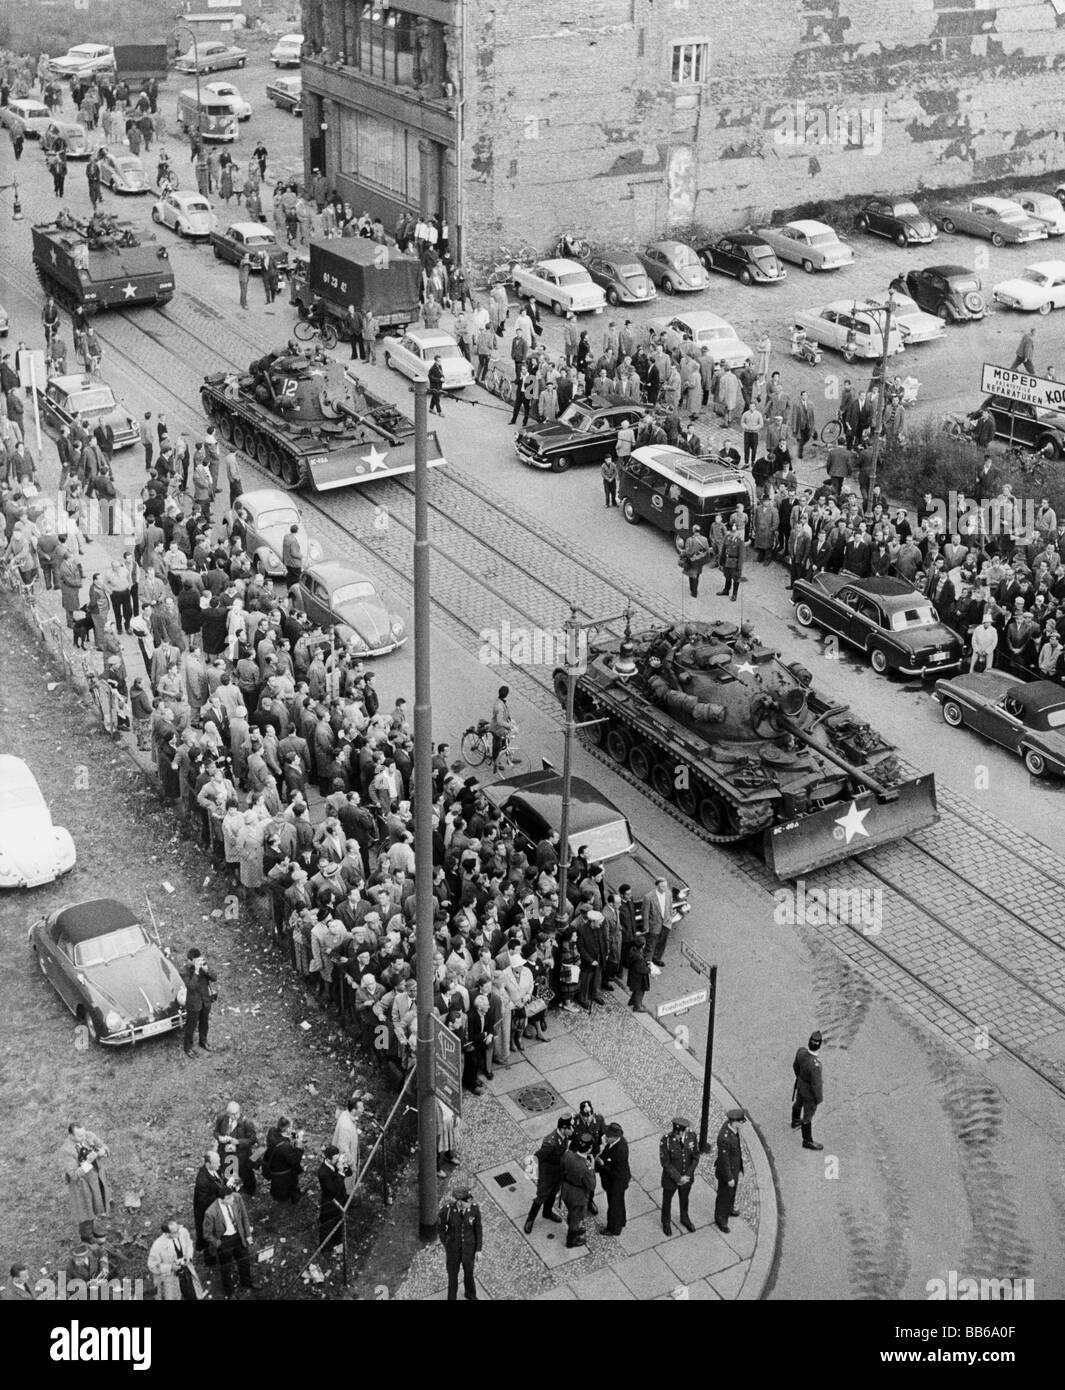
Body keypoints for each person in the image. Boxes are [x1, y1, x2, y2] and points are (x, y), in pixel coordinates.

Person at [203, 1182, 259, 1298]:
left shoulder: (237, 1197)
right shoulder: (211, 1212)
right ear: (221, 1199)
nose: (232, 1199)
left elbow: (244, 1216)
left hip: (238, 1236)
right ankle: (230, 1292)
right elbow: (207, 1234)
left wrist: (248, 1234)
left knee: (244, 1261)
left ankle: (247, 1282)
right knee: (226, 1267)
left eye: (232, 1196)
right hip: (224, 1240)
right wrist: (218, 1243)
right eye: (229, 1198)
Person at [61, 1123, 110, 1240]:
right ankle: (86, 1236)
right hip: (81, 1185)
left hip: (95, 1179)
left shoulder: (89, 1136)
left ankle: (92, 1231)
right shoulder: (67, 1150)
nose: (83, 1138)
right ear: (71, 1135)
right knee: (85, 1209)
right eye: (79, 1136)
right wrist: (88, 1161)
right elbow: (73, 1175)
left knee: (94, 1205)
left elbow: (105, 1147)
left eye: (84, 1134)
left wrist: (101, 1152)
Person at [523, 1114, 572, 1232]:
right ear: (563, 1128)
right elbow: (537, 1157)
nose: (572, 1131)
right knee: (541, 1196)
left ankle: (547, 1212)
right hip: (547, 1174)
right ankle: (530, 1219)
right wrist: (534, 1174)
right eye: (570, 1128)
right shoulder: (550, 1143)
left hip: (558, 1172)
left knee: (553, 1193)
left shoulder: (563, 1137)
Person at [438, 1184, 482, 1300]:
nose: (469, 1204)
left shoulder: (474, 1208)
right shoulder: (447, 1210)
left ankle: (470, 1294)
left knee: (469, 1274)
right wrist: (446, 1242)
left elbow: (478, 1228)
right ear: (459, 1202)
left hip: (469, 1249)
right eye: (467, 1202)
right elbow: (440, 1228)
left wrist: (478, 1249)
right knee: (452, 1277)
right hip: (453, 1251)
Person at [660, 1116, 699, 1235]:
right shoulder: (666, 1141)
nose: (678, 1137)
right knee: (667, 1201)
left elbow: (695, 1157)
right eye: (676, 1135)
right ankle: (666, 1221)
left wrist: (687, 1175)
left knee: (684, 1199)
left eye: (680, 1135)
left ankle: (684, 1218)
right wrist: (678, 1178)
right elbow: (665, 1163)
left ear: (684, 1132)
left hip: (687, 1178)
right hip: (671, 1179)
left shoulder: (691, 1137)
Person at [148, 1217, 202, 1301]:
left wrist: (189, 1256)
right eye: (175, 1232)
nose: (178, 1233)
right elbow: (152, 1265)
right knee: (173, 1296)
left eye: (178, 1229)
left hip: (186, 1271)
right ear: (167, 1233)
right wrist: (170, 1267)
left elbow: (189, 1244)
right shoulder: (158, 1245)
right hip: (170, 1278)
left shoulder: (183, 1231)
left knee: (191, 1293)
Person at [213, 1101, 257, 1195]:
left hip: (242, 1156)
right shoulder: (221, 1119)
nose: (235, 1116)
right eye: (232, 1114)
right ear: (228, 1113)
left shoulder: (246, 1122)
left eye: (237, 1113)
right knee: (228, 1173)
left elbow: (252, 1140)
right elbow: (216, 1132)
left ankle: (250, 1191)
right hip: (226, 1154)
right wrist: (220, 1138)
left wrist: (238, 1142)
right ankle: (232, 1188)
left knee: (245, 1173)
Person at [791, 1029, 825, 1151]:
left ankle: (795, 1120)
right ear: (819, 1045)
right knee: (808, 1116)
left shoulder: (801, 1052)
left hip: (800, 1084)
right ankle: (807, 1140)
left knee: (798, 1103)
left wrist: (799, 1078)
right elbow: (817, 1085)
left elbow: (795, 1066)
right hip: (810, 1093)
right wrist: (818, 1099)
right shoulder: (816, 1066)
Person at [713, 1108, 746, 1233]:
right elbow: (724, 1160)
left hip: (735, 1167)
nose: (742, 1124)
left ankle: (730, 1208)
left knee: (732, 1192)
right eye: (741, 1122)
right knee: (724, 1195)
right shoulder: (724, 1138)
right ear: (734, 1122)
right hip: (728, 1171)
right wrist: (729, 1178)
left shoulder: (733, 1129)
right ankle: (720, 1218)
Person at [560, 1134, 596, 1248]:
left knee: (572, 1211)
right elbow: (591, 1186)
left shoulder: (568, 1155)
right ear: (589, 1149)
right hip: (578, 1195)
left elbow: (562, 1166)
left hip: (566, 1189)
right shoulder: (586, 1167)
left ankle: (572, 1224)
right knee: (576, 1217)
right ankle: (571, 1240)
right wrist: (592, 1168)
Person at [180, 947, 217, 1058]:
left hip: (205, 1001)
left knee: (204, 1024)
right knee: (191, 1027)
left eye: (199, 960)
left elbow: (214, 978)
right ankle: (188, 1047)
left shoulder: (203, 966)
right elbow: (191, 987)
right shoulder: (184, 971)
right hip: (193, 1004)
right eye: (196, 961)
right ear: (190, 960)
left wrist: (206, 970)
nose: (199, 963)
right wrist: (196, 971)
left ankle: (203, 1041)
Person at [596, 1121, 631, 1236]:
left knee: (614, 1206)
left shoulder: (620, 1151)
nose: (605, 1138)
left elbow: (616, 1173)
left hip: (616, 1183)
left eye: (607, 1136)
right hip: (617, 1181)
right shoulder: (617, 1143)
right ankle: (621, 1221)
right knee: (619, 1202)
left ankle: (613, 1228)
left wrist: (602, 1165)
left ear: (614, 1137)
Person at [193, 1150, 226, 1257]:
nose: (219, 1164)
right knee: (208, 1233)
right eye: (217, 1163)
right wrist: (222, 1195)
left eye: (219, 1162)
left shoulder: (214, 1169)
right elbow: (204, 1201)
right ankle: (210, 1256)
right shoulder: (202, 1180)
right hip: (206, 1211)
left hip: (215, 1205)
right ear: (208, 1164)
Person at [317, 1145, 348, 1252]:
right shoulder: (323, 1173)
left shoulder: (335, 1163)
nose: (337, 1160)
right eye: (335, 1159)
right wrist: (340, 1172)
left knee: (339, 1222)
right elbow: (333, 1191)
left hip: (341, 1199)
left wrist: (344, 1165)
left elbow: (349, 1173)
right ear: (328, 1159)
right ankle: (324, 1248)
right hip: (330, 1203)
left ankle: (337, 1241)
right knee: (327, 1225)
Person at [680, 524, 710, 598]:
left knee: (692, 576)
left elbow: (688, 552)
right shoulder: (705, 539)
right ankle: (694, 589)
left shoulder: (690, 540)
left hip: (692, 560)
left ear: (693, 530)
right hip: (700, 560)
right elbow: (707, 550)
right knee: (697, 575)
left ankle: (694, 592)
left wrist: (682, 555)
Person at [719, 522, 745, 601]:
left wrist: (739, 567)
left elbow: (741, 555)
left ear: (737, 532)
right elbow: (723, 550)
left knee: (736, 579)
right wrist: (721, 561)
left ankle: (734, 594)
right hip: (727, 561)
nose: (733, 533)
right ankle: (726, 590)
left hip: (735, 562)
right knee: (727, 576)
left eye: (735, 531)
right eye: (731, 531)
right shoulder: (727, 538)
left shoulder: (740, 541)